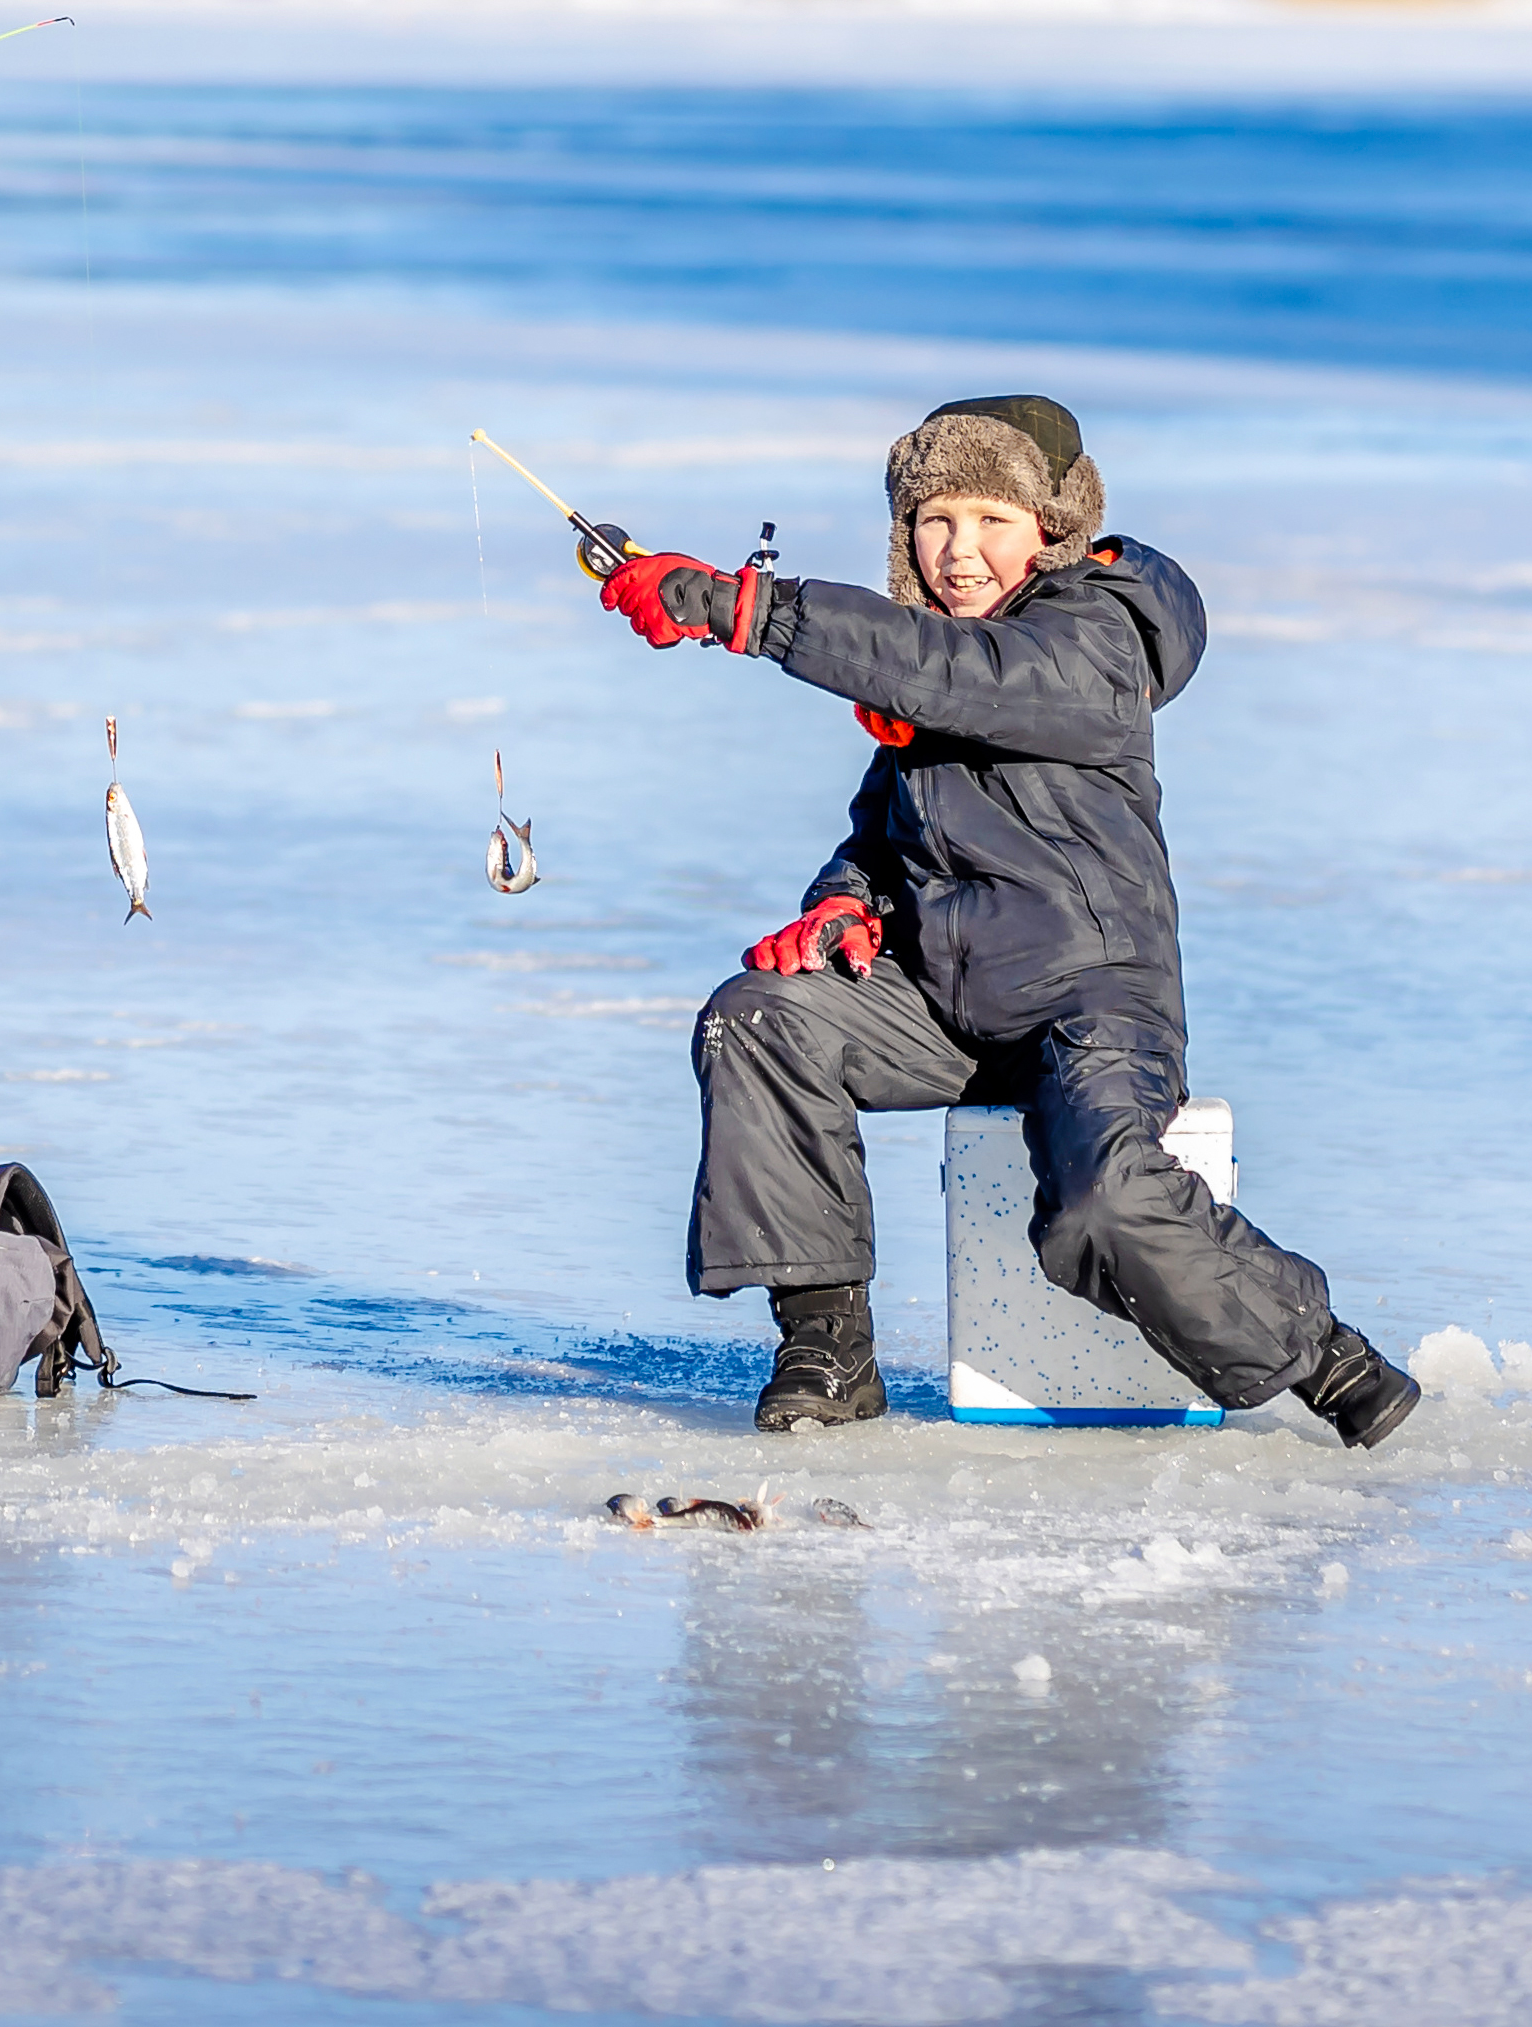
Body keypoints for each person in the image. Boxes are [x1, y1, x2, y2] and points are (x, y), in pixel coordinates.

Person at [596, 393, 1419, 1447]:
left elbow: (971, 678)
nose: (960, 552)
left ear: (1053, 527)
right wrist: (846, 909)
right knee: (759, 1020)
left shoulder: (1094, 639)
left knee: (1103, 1209)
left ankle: (1326, 1356)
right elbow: (882, 834)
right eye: (934, 521)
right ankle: (824, 1346)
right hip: (945, 1005)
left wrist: (754, 610)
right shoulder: (930, 676)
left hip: (1086, 1005)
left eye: (991, 519)